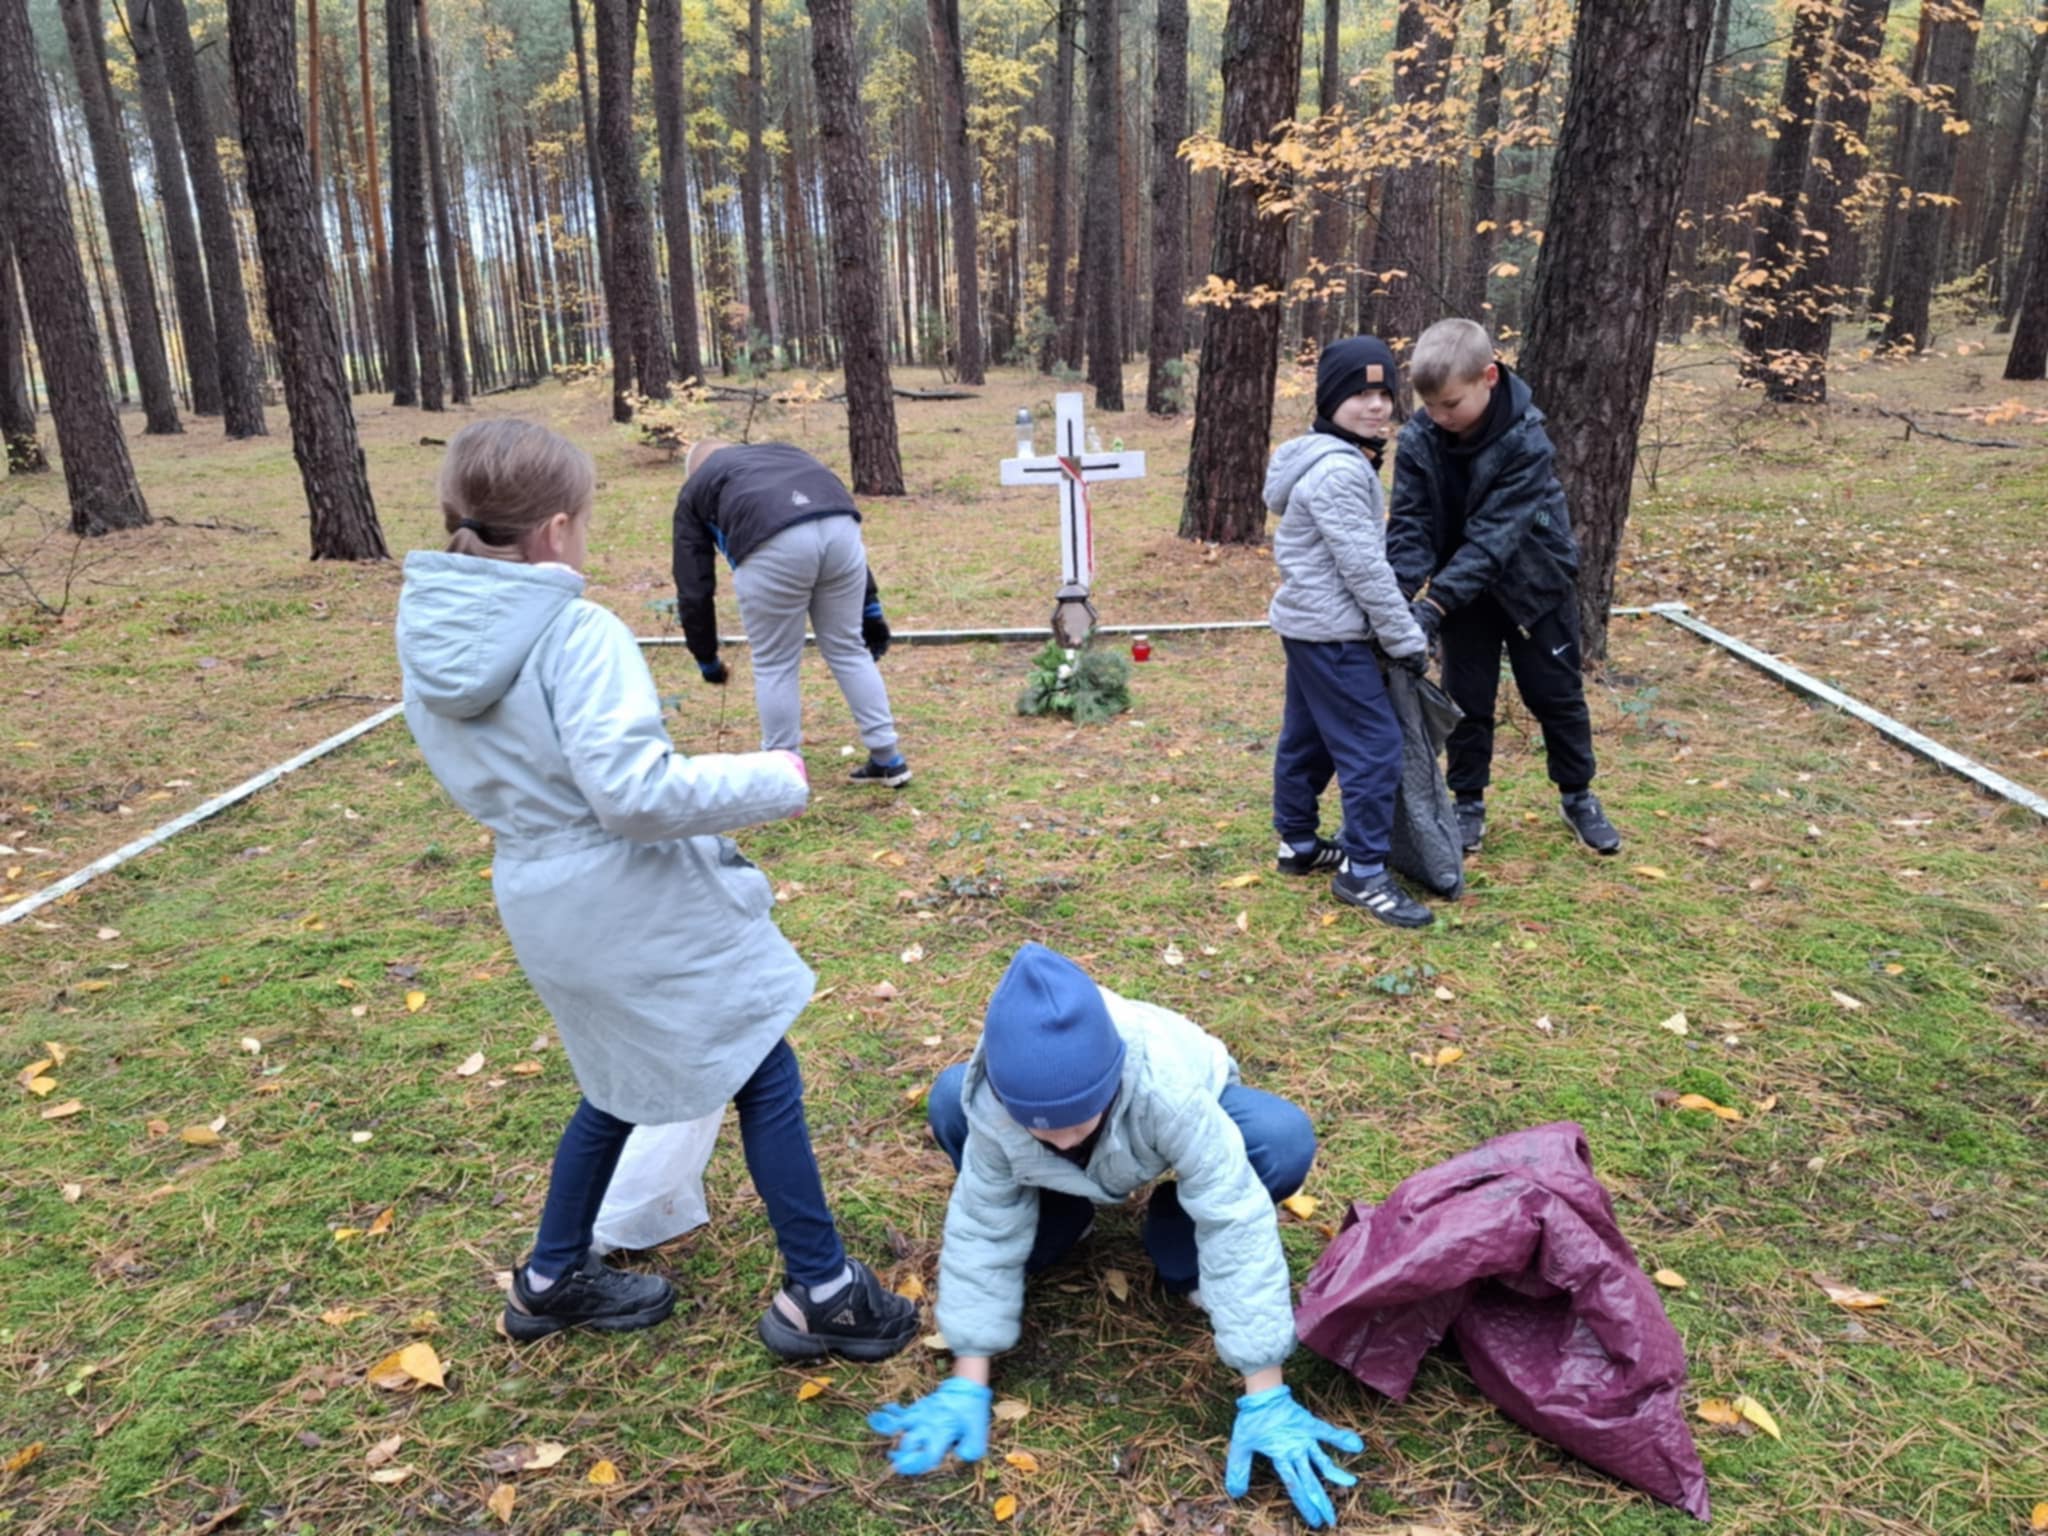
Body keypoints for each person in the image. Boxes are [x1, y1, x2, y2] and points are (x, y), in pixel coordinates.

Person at [396, 419, 919, 1359]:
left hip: (540, 897)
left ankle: (552, 1275)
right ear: (557, 528)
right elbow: (632, 795)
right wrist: (771, 778)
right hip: (629, 897)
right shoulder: (574, 632)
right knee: (760, 1062)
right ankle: (824, 1289)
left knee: (614, 1077)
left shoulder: (428, 630)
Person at [869, 944, 1365, 1530]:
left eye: (1077, 1122)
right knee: (951, 1097)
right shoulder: (994, 1103)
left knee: (1280, 1139)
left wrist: (1265, 1391)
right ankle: (1062, 1220)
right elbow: (983, 1225)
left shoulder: (1165, 1088)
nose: (1060, 1140)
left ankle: (1177, 1243)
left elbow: (1235, 1219)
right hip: (1065, 1163)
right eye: (1042, 1131)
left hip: (1166, 1125)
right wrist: (968, 1375)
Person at [1388, 318, 1621, 857]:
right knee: (1466, 698)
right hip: (1464, 593)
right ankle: (1467, 802)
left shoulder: (1527, 441)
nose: (1439, 417)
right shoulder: (1421, 438)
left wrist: (1434, 604)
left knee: (1555, 695)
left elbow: (1496, 538)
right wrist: (1396, 599)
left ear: (1488, 377)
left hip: (1535, 585)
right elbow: (1411, 525)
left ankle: (1577, 795)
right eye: (1429, 406)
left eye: (1451, 404)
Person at [1263, 336, 1435, 929]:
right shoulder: (1339, 471)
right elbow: (1365, 570)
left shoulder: (1330, 458)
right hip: (1334, 634)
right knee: (1374, 748)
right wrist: (1406, 639)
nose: (1376, 405)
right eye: (1360, 393)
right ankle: (1363, 872)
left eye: (1385, 393)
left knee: (1308, 736)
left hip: (1310, 628)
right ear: (1331, 399)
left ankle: (1298, 843)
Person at [672, 439, 909, 787]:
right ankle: (888, 758)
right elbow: (819, 515)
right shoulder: (784, 452)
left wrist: (706, 658)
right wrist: (870, 611)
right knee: (848, 648)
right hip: (842, 526)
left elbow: (694, 585)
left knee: (775, 662)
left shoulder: (695, 489)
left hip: (772, 542)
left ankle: (783, 773)